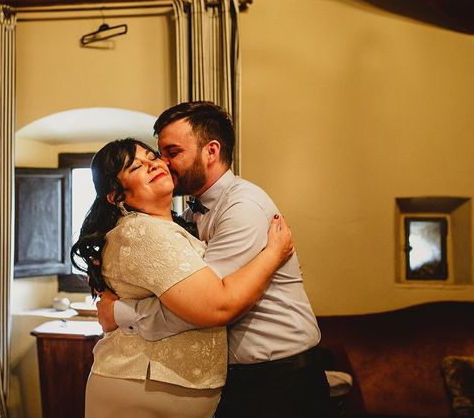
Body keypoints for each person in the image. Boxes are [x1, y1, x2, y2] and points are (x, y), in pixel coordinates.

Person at [96, 101, 331, 417]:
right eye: (158, 153)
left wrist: (121, 314)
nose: (162, 162)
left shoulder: (242, 207)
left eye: (171, 152)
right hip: (242, 377)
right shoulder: (185, 215)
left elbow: (207, 305)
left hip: (278, 377)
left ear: (211, 151)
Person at [71, 138, 295, 418]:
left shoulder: (174, 226)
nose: (153, 165)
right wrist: (274, 254)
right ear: (117, 196)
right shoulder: (144, 233)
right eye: (136, 167)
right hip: (143, 385)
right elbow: (216, 305)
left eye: (153, 158)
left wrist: (119, 312)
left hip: (165, 387)